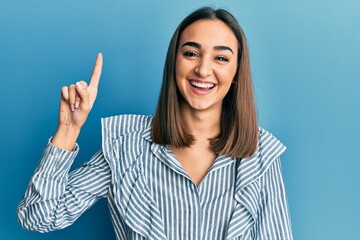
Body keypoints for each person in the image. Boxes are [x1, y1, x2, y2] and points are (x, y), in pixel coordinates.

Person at [17, 7, 293, 240]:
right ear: (174, 63)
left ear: (236, 73)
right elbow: (38, 217)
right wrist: (68, 129)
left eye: (221, 57)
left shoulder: (259, 154)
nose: (203, 69)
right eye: (191, 53)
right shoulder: (126, 145)